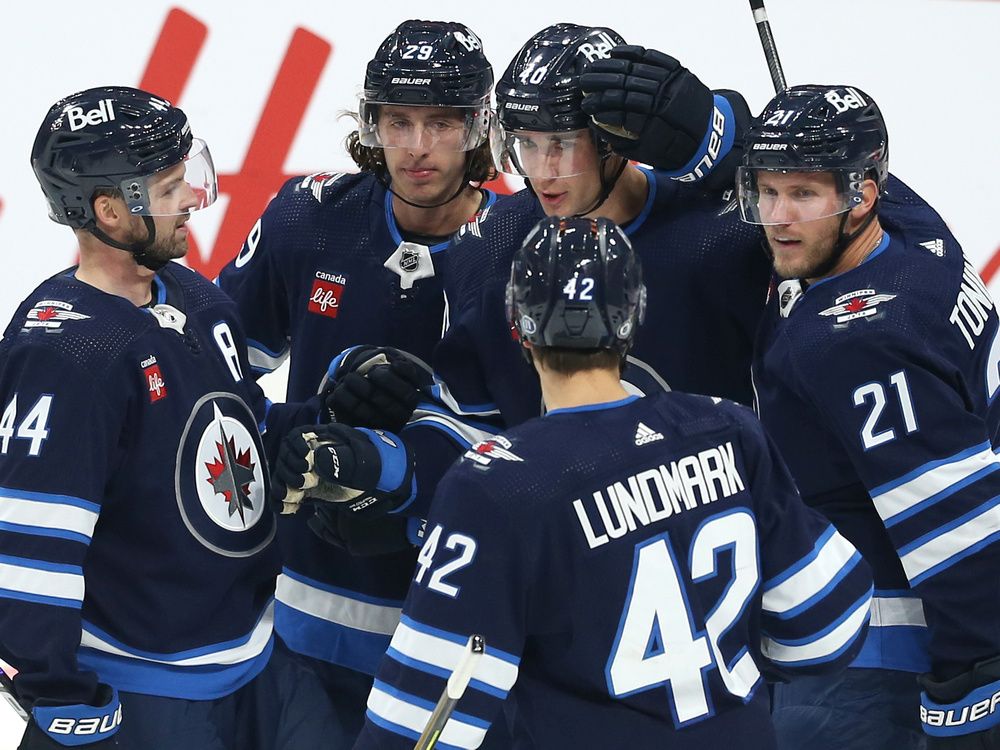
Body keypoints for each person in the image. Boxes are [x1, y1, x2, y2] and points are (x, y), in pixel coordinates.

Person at [319, 215, 871, 749]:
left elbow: (420, 721)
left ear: (517, 325)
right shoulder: (726, 429)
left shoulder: (497, 487)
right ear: (634, 316)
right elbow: (827, 625)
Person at [0, 86, 321, 750]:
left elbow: (238, 436)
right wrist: (60, 699)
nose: (196, 199)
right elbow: (28, 547)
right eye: (171, 186)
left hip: (257, 657)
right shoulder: (64, 352)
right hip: (144, 689)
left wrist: (324, 419)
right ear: (111, 210)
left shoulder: (197, 297)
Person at [215, 19, 502, 746]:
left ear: (480, 127)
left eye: (441, 123)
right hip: (299, 620)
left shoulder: (523, 250)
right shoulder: (308, 218)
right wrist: (295, 434)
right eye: (396, 121)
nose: (416, 146)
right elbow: (210, 376)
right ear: (370, 123)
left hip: (455, 632)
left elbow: (550, 439)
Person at [743, 85, 1000, 749]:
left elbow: (958, 529)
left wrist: (975, 680)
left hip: (867, 656)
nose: (778, 217)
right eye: (767, 191)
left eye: (804, 194)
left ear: (863, 195)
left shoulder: (853, 343)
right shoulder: (922, 236)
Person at [429, 22, 770, 430]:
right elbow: (470, 424)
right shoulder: (487, 246)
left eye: (562, 145)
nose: (542, 173)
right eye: (528, 144)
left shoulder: (724, 231)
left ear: (612, 139)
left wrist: (726, 134)